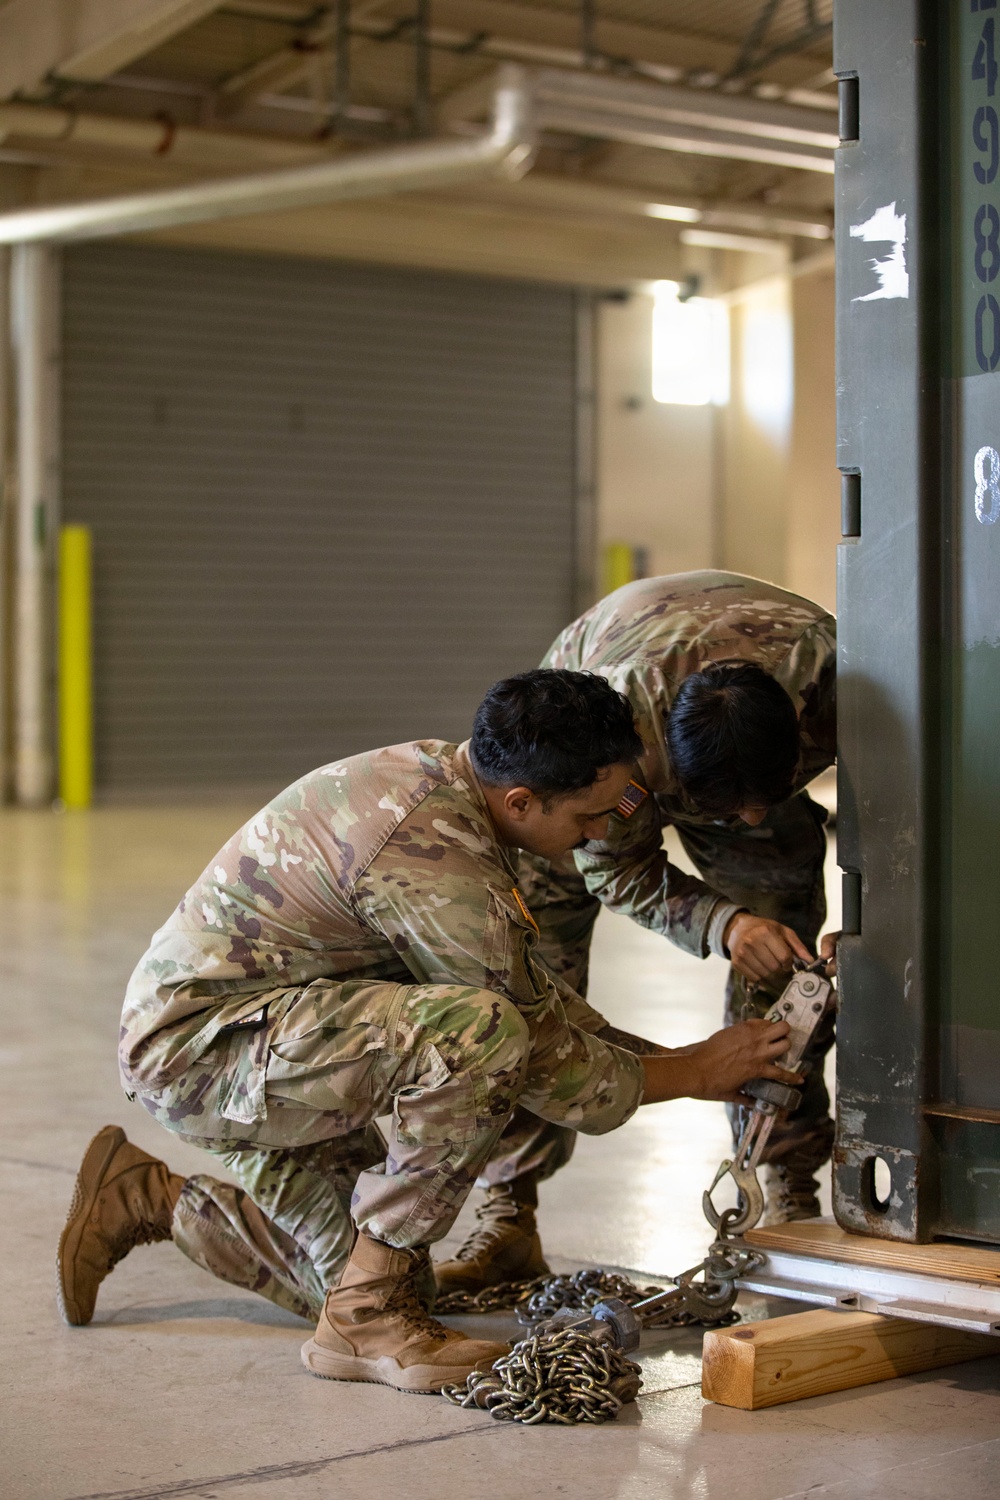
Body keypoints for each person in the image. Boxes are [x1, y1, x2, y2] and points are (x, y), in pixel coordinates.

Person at [57, 669, 797, 1395]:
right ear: (522, 800)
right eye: (591, 817)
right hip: (204, 1054)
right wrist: (694, 1074)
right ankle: (366, 1315)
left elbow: (544, 1008)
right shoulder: (435, 853)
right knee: (476, 1038)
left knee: (382, 1273)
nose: (605, 833)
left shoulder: (454, 793)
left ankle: (145, 1197)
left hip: (287, 1035)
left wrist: (693, 1061)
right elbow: (538, 1060)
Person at [436, 573, 836, 1299]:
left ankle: (787, 1187)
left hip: (749, 739)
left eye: (762, 804)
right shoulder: (609, 756)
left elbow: (913, 813)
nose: (748, 823)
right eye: (728, 809)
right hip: (595, 771)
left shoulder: (842, 692)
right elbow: (617, 872)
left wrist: (869, 928)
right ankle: (508, 1213)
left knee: (788, 973)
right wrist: (724, 922)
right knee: (528, 984)